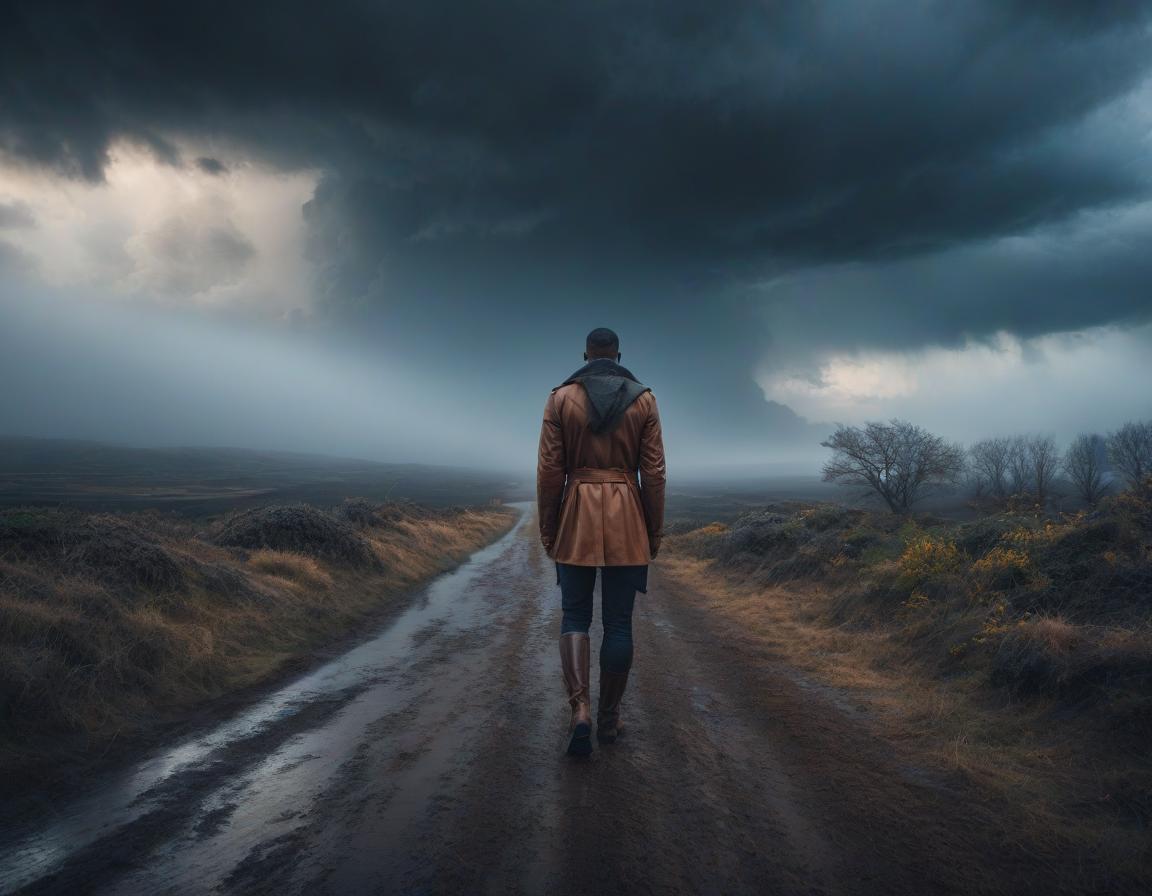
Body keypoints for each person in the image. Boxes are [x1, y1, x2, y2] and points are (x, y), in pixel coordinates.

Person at [536, 327, 666, 756]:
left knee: (574, 615)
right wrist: (653, 529)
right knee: (619, 623)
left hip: (576, 510)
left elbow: (550, 472)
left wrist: (549, 527)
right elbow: (656, 474)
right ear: (618, 354)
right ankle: (609, 720)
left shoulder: (559, 398)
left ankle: (581, 713)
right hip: (627, 513)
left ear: (585, 355)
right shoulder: (644, 399)